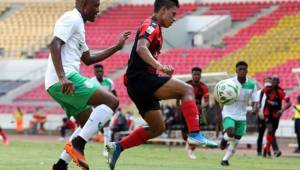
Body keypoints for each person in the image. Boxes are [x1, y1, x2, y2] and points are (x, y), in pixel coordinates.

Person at [105, 1, 217, 170]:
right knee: (187, 90)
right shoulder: (150, 25)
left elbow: (145, 54)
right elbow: (141, 49)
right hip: (141, 80)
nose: (174, 18)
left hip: (137, 84)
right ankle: (194, 134)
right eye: (173, 14)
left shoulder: (156, 28)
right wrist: (159, 66)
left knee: (158, 128)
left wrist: (159, 66)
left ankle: (118, 147)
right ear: (163, 10)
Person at [46, 0, 130, 169]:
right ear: (84, 4)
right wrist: (62, 77)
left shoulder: (79, 26)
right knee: (112, 101)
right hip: (65, 78)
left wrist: (116, 47)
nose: (98, 10)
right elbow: (54, 44)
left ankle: (60, 165)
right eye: (96, 6)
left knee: (87, 124)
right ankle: (78, 145)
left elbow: (88, 59)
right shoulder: (71, 18)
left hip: (60, 81)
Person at [219, 61, 259, 166]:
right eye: (240, 69)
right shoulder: (229, 82)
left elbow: (255, 101)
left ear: (247, 71)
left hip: (241, 115)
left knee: (236, 140)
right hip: (229, 113)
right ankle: (224, 139)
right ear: (236, 70)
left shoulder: (251, 85)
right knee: (231, 133)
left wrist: (255, 109)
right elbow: (220, 94)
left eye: (244, 69)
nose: (242, 71)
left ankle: (225, 160)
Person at [179, 67, 209, 160]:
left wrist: (203, 105)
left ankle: (191, 151)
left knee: (195, 132)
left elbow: (206, 100)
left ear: (200, 75)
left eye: (198, 74)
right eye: (194, 74)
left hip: (197, 113)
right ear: (192, 75)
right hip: (185, 111)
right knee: (184, 133)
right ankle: (188, 142)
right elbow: (179, 97)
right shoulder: (186, 85)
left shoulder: (203, 87)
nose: (196, 76)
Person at [260, 76, 291, 157]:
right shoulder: (267, 89)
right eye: (273, 80)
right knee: (270, 130)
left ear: (278, 82)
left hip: (276, 115)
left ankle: (266, 148)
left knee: (272, 133)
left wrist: (282, 110)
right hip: (267, 113)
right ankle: (269, 149)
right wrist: (259, 107)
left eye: (276, 81)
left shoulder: (281, 91)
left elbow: (289, 103)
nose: (274, 82)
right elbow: (261, 95)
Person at [91, 63, 117, 157]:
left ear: (103, 71)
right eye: (97, 71)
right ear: (94, 72)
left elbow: (114, 95)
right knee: (85, 128)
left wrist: (115, 107)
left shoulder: (109, 82)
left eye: (101, 71)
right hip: (94, 109)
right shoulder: (91, 82)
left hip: (106, 109)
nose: (99, 73)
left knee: (107, 129)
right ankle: (75, 146)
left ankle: (107, 150)